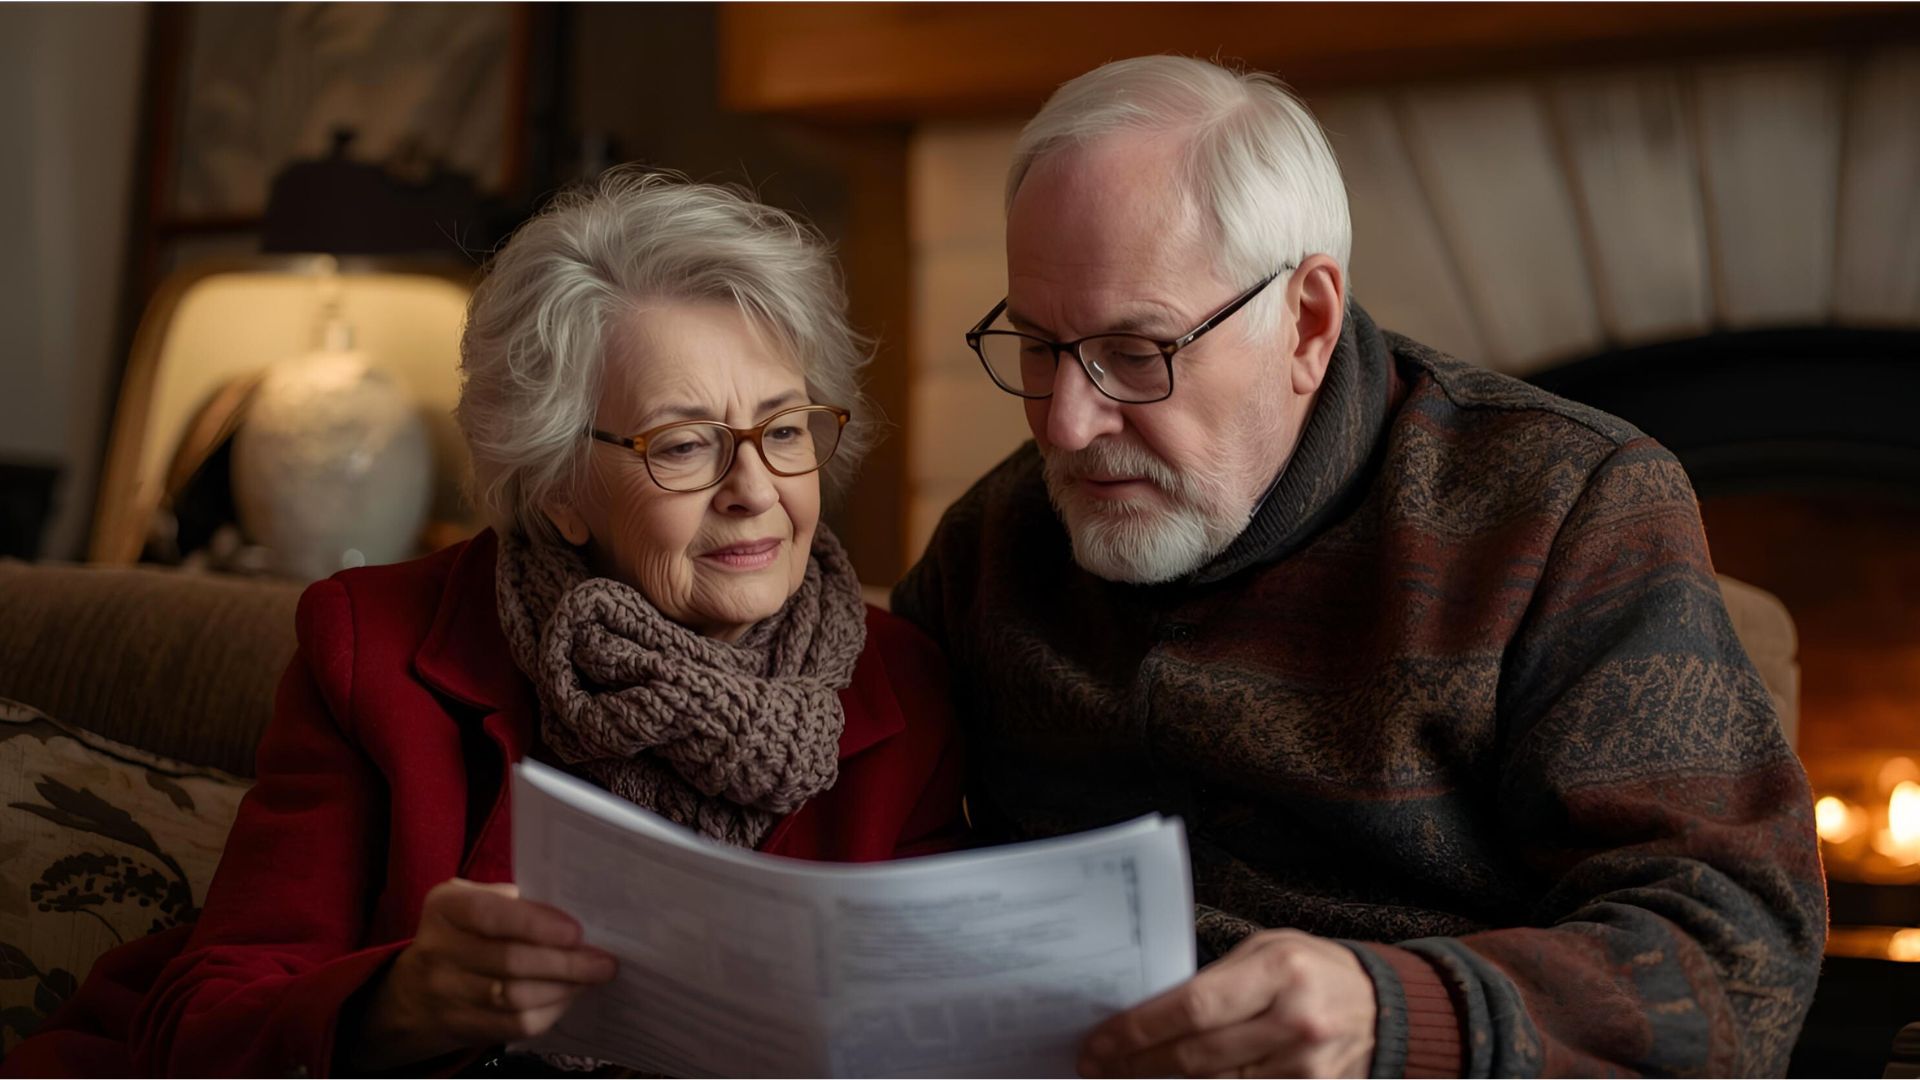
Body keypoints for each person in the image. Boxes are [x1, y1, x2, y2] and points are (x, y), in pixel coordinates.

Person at [893, 56, 1825, 1078]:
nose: (1066, 425)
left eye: (1135, 351)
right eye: (1038, 345)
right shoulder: (993, 542)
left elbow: (1735, 951)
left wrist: (1396, 1015)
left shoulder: (1558, 511)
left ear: (1305, 322)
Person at [9, 171, 962, 1076]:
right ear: (558, 489)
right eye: (683, 446)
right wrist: (402, 1002)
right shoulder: (373, 646)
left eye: (785, 430)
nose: (754, 491)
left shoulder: (907, 685)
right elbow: (211, 1022)